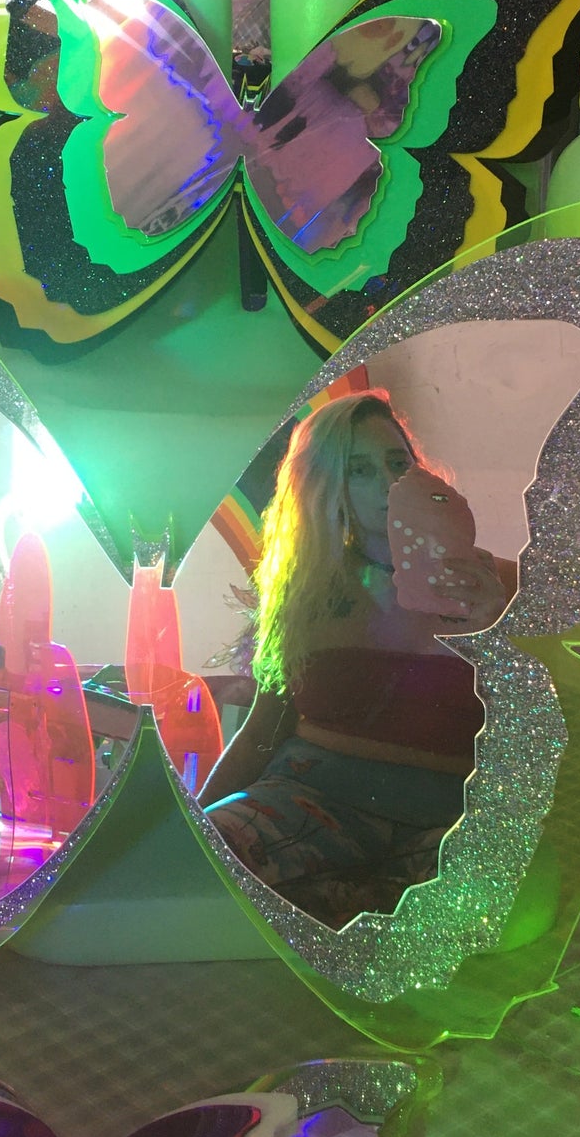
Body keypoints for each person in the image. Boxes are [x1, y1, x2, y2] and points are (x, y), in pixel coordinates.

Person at [203, 389, 514, 929]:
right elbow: (260, 734)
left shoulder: (499, 584)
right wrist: (193, 831)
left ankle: (349, 905)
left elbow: (541, 735)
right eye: (360, 470)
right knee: (212, 865)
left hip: (446, 816)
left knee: (489, 913)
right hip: (309, 797)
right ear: (329, 486)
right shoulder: (307, 589)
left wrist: (501, 635)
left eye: (398, 463)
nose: (388, 483)